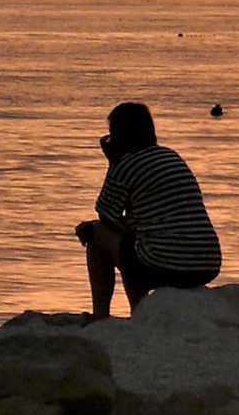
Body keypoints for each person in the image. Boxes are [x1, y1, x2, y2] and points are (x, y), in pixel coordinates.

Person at [75, 102, 221, 318]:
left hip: (164, 263)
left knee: (96, 236)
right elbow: (150, 219)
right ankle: (139, 313)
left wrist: (113, 163)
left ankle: (102, 316)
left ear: (116, 136)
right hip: (206, 263)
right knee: (135, 244)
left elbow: (106, 215)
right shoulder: (171, 157)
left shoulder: (126, 165)